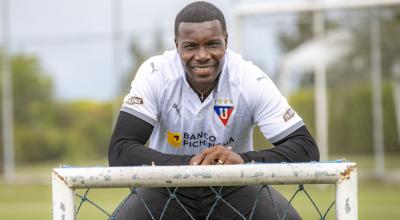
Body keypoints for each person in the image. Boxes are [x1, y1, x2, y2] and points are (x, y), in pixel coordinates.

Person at [108, 1, 319, 219]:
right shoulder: (156, 74)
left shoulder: (248, 78)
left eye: (212, 44)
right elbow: (120, 149)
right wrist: (190, 164)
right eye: (190, 46)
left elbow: (306, 148)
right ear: (177, 45)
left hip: (234, 184)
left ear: (226, 42)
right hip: (166, 184)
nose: (202, 55)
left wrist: (242, 161)